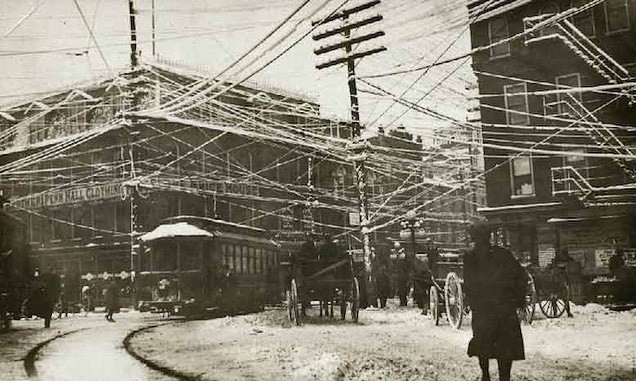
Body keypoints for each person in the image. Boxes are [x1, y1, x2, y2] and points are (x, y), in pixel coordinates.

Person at [464, 222, 526, 381]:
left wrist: (473, 302)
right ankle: (504, 377)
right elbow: (520, 276)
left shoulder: (470, 257)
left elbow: (469, 284)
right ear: (489, 237)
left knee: (482, 342)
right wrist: (517, 300)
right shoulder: (504, 254)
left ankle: (485, 374)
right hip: (504, 309)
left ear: (474, 238)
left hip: (483, 310)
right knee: (506, 346)